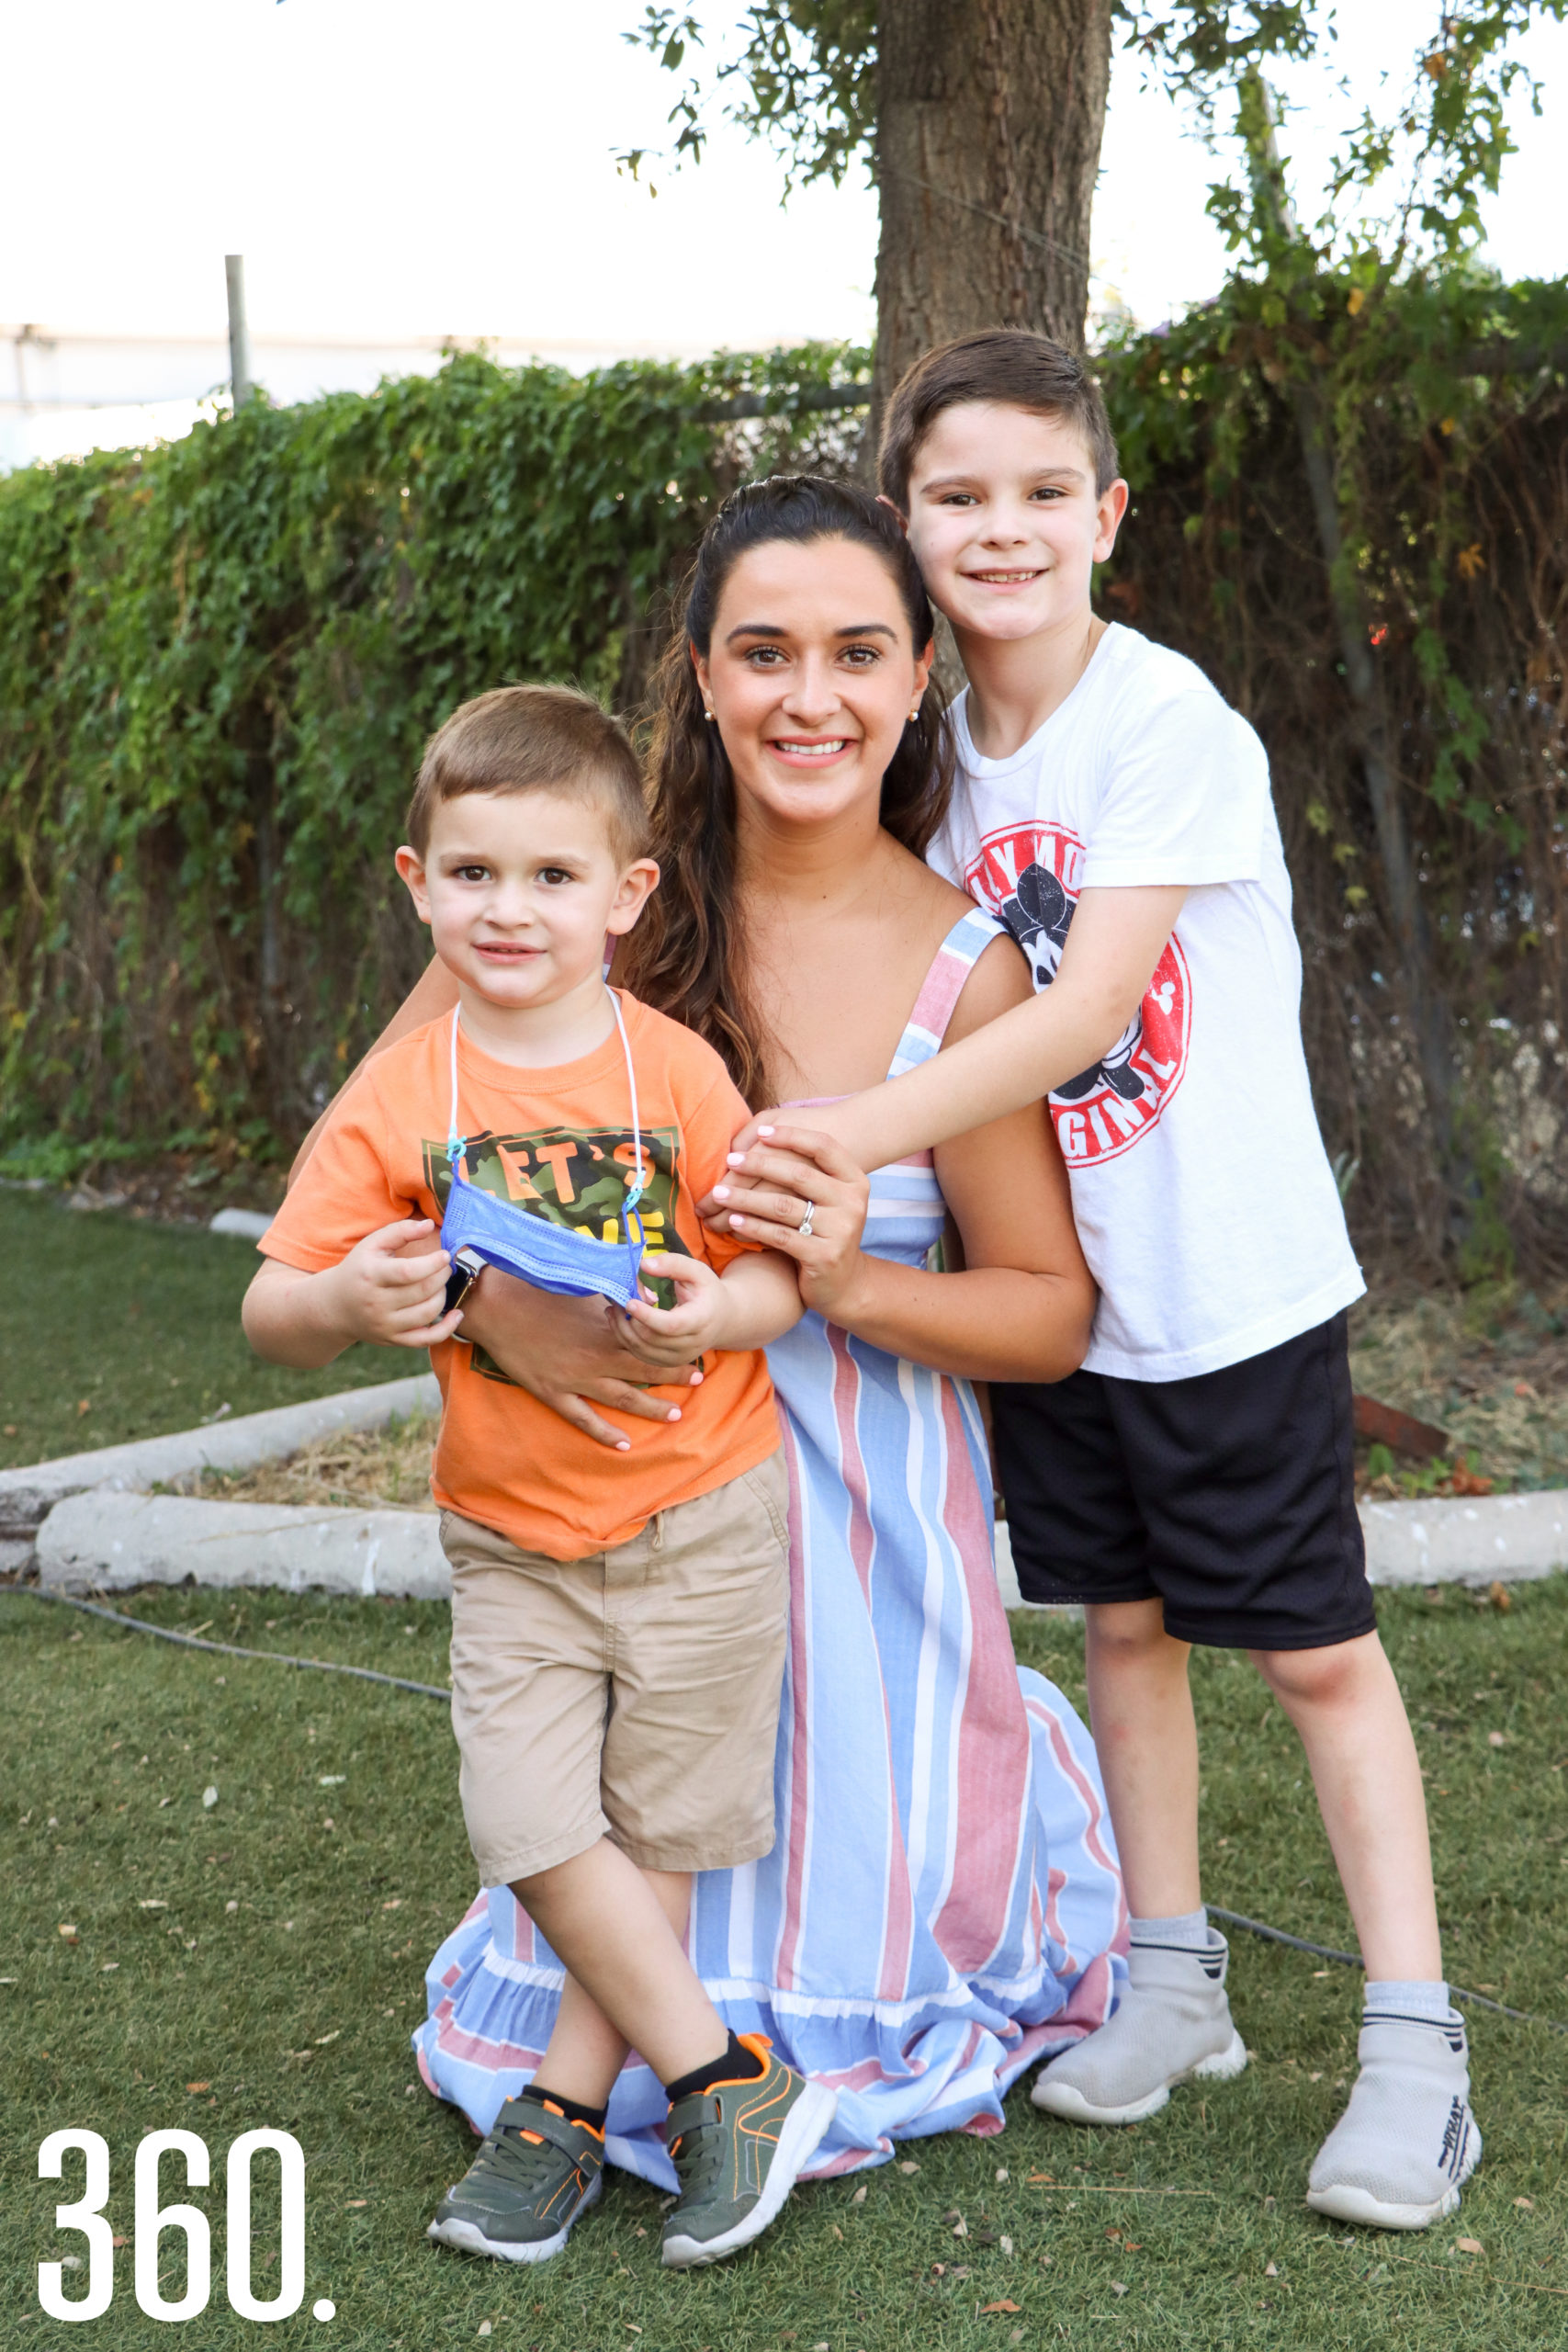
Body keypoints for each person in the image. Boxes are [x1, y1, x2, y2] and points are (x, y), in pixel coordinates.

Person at [717, 332, 1475, 2233]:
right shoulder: (926, 746)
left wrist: (850, 1132)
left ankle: (1411, 2048)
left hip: (1224, 1285)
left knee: (1306, 1650)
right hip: (1056, 1293)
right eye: (959, 497)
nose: (1002, 529)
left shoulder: (1165, 722)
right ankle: (1170, 1980)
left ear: (1104, 516)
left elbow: (1078, 1009)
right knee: (1121, 1635)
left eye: (1044, 493)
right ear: (908, 520)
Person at [406, 478, 1127, 2186]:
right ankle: (615, 2061)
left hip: (869, 1559)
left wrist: (850, 1278)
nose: (812, 695)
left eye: (858, 652)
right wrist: (496, 1306)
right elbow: (403, 1164)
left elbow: (1049, 1317)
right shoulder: (587, 915)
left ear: (917, 676)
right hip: (622, 1524)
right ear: (705, 678)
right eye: (766, 653)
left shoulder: (974, 967)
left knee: (841, 1961)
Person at [243, 681, 839, 2272]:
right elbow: (271, 1310)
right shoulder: (403, 1097)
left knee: (656, 1833)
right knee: (527, 1826)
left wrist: (723, 1306)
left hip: (707, 1515)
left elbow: (778, 1281)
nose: (511, 909)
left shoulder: (679, 1075)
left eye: (554, 876)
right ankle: (728, 2078)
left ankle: (563, 2114)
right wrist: (343, 1304)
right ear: (416, 881)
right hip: (512, 1536)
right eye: (476, 874)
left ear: (628, 896)